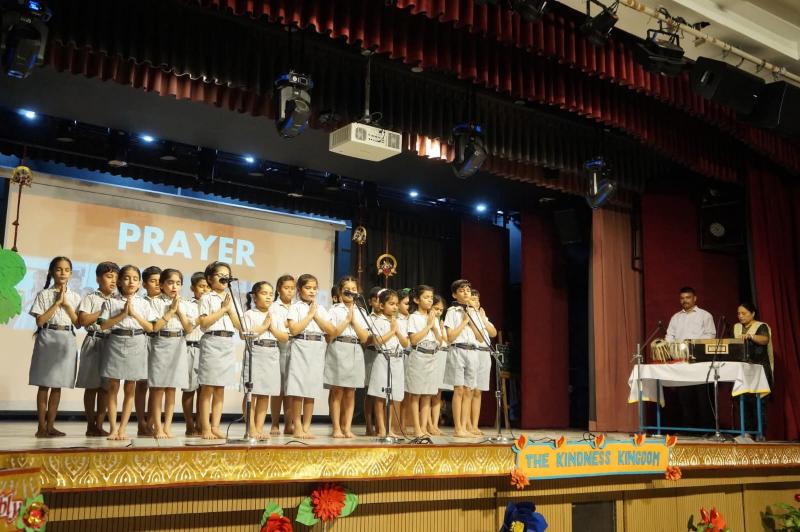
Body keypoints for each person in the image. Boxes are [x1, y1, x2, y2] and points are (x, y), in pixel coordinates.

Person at [100, 265, 156, 440]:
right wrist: (123, 314)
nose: (131, 282)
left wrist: (134, 314)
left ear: (139, 283)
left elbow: (151, 328)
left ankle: (123, 429)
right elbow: (103, 325)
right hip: (116, 341)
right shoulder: (111, 301)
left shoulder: (144, 303)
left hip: (137, 341)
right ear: (119, 282)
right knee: (113, 386)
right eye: (126, 278)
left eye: (135, 279)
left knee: (130, 387)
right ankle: (113, 428)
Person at [29, 256, 81, 438]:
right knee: (44, 384)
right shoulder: (44, 294)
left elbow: (78, 323)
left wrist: (66, 305)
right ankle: (41, 427)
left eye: (66, 270)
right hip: (47, 337)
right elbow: (40, 321)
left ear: (71, 273)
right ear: (51, 272)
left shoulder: (75, 297)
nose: (63, 273)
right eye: (59, 269)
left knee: (58, 385)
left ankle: (51, 426)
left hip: (66, 339)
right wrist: (57, 303)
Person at [286, 274, 335, 439]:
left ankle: (306, 426)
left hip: (317, 347)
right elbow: (294, 330)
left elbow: (331, 330)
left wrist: (315, 315)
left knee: (311, 389)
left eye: (314, 288)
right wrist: (309, 315)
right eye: (308, 288)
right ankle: (297, 426)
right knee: (298, 389)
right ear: (299, 290)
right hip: (301, 345)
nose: (312, 291)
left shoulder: (320, 309)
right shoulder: (295, 307)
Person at [197, 261, 242, 440]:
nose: (224, 277)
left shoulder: (232, 298)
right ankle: (205, 428)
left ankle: (215, 426)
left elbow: (239, 325)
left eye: (227, 275)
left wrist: (229, 310)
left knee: (220, 387)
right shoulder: (207, 298)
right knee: (208, 387)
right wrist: (223, 309)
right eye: (220, 275)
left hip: (227, 342)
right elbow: (204, 323)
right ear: (209, 278)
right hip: (212, 341)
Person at [148, 269, 193, 439]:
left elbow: (189, 328)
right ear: (161, 285)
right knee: (158, 387)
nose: (174, 286)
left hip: (178, 343)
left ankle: (167, 427)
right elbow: (154, 327)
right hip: (161, 342)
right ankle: (158, 427)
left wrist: (179, 311)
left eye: (178, 283)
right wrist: (170, 312)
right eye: (170, 282)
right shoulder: (155, 302)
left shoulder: (185, 303)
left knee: (172, 388)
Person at [664, 286, 716, 431]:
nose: (684, 300)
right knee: (685, 398)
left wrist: (693, 344)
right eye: (682, 298)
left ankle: (707, 430)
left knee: (703, 398)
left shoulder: (705, 315)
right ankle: (689, 430)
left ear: (695, 298)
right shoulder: (676, 317)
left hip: (700, 362)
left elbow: (710, 335)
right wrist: (669, 345)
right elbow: (669, 336)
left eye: (688, 297)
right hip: (682, 362)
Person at [76, 261, 119, 437]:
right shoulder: (90, 298)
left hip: (112, 343)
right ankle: (90, 425)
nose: (113, 280)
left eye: (116, 277)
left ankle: (100, 425)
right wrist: (103, 310)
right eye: (109, 276)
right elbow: (83, 321)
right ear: (98, 278)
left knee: (106, 388)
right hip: (94, 340)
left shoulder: (119, 300)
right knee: (91, 386)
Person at [324, 276, 369, 438]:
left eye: (354, 289)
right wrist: (346, 321)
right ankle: (336, 428)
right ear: (340, 292)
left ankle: (347, 427)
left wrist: (354, 322)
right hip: (338, 348)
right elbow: (330, 335)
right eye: (347, 290)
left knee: (351, 391)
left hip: (355, 349)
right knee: (337, 391)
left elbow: (364, 338)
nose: (351, 292)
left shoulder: (362, 312)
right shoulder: (334, 310)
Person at [241, 281, 287, 440]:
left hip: (272, 352)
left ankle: (260, 428)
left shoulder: (276, 315)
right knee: (252, 393)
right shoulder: (249, 314)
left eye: (270, 294)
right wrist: (263, 327)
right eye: (264, 293)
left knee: (265, 393)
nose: (268, 297)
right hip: (256, 351)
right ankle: (251, 428)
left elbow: (284, 337)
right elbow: (244, 334)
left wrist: (271, 327)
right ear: (255, 297)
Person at [443, 279, 482, 438]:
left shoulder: (474, 311)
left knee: (468, 390)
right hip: (458, 350)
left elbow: (480, 337)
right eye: (461, 290)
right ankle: (458, 428)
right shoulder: (452, 311)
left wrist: (471, 320)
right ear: (454, 295)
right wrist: (464, 321)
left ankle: (466, 427)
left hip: (473, 351)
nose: (466, 293)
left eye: (467, 290)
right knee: (459, 389)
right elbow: (450, 336)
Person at [368, 289, 409, 438]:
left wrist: (396, 331)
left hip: (397, 360)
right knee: (380, 396)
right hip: (383, 359)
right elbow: (377, 342)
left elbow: (405, 343)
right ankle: (381, 428)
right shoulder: (377, 321)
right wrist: (392, 332)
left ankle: (389, 428)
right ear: (381, 305)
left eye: (396, 304)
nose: (395, 307)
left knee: (392, 396)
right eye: (391, 304)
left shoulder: (399, 322)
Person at [405, 285, 443, 437]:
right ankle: (416, 428)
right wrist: (428, 326)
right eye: (426, 297)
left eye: (431, 297)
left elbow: (440, 341)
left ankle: (424, 427)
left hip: (432, 356)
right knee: (416, 394)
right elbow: (414, 340)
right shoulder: (414, 317)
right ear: (416, 300)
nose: (429, 300)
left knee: (428, 394)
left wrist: (434, 326)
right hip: (419, 356)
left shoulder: (433, 318)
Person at [732, 302, 773, 438]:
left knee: (759, 402)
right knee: (744, 400)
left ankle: (760, 434)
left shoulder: (761, 326)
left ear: (753, 313)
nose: (740, 316)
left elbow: (765, 339)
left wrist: (751, 336)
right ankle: (748, 433)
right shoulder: (737, 327)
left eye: (744, 313)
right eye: (738, 313)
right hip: (743, 369)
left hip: (759, 369)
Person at [181, 272, 208, 437]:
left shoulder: (213, 305)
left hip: (208, 348)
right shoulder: (186, 305)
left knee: (204, 390)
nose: (205, 290)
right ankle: (189, 424)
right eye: (201, 286)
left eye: (207, 286)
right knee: (189, 389)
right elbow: (186, 327)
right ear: (193, 288)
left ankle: (201, 423)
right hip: (191, 347)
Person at [269, 274, 295, 435]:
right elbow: (275, 325)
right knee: (278, 389)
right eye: (286, 288)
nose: (290, 291)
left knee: (291, 389)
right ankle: (274, 424)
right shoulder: (273, 307)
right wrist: (290, 323)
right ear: (279, 289)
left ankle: (289, 424)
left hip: (295, 346)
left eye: (292, 288)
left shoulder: (297, 306)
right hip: (279, 347)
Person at [469, 288, 497, 436]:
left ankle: (475, 425)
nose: (477, 302)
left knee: (478, 391)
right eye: (473, 299)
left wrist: (484, 320)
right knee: (470, 390)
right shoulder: (467, 315)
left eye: (478, 299)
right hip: (474, 351)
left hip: (485, 354)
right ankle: (467, 424)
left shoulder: (482, 316)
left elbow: (493, 333)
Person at [138, 265, 162, 436]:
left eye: (160, 281)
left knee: (157, 385)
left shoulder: (166, 301)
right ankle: (141, 422)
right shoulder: (140, 302)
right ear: (145, 284)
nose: (157, 284)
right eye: (153, 281)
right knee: (141, 384)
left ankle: (152, 423)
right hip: (142, 341)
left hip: (161, 343)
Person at [363, 286, 383, 436]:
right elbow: (365, 340)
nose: (378, 303)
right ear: (370, 302)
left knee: (382, 393)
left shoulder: (388, 318)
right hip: (371, 354)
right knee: (370, 393)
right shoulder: (368, 319)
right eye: (375, 300)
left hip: (384, 355)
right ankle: (369, 425)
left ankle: (381, 426)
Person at [428, 295, 449, 435]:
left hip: (442, 355)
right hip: (432, 355)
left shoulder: (439, 321)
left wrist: (441, 330)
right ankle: (428, 424)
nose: (439, 312)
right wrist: (438, 332)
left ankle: (435, 425)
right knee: (429, 393)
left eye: (441, 310)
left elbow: (445, 341)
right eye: (436, 308)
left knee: (438, 393)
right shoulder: (428, 319)